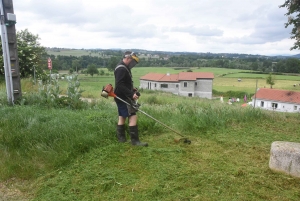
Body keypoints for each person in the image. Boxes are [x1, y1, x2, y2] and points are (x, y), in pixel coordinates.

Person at [114, 51, 148, 147]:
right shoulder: (121, 69)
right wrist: (131, 94)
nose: (133, 64)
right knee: (133, 116)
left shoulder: (123, 67)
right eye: (133, 61)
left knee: (122, 117)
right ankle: (135, 142)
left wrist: (131, 89)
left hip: (121, 96)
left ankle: (121, 139)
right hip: (123, 97)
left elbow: (123, 83)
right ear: (128, 58)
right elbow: (119, 85)